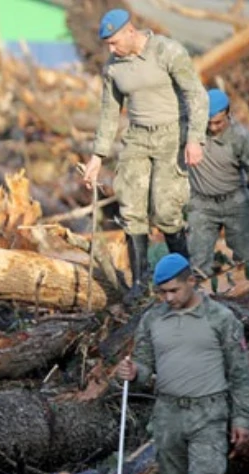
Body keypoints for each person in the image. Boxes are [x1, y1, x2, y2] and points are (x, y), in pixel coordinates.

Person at [115, 253, 249, 474]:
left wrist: (242, 419)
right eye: (162, 293)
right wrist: (133, 372)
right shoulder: (153, 320)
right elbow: (145, 365)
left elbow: (240, 373)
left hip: (209, 410)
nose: (168, 298)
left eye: (174, 291)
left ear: (192, 280)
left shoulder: (221, 318)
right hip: (168, 413)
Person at [80, 8, 209, 303]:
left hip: (171, 134)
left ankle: (185, 278)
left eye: (114, 42)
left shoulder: (167, 51)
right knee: (131, 210)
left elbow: (196, 94)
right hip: (137, 137)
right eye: (108, 45)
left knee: (166, 211)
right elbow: (109, 112)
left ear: (130, 30)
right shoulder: (114, 67)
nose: (111, 50)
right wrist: (97, 156)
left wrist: (195, 139)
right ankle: (140, 283)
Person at [185, 88, 249, 278]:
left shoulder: (241, 138)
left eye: (218, 122)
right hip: (202, 203)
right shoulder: (192, 131)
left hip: (235, 201)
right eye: (208, 122)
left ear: (228, 114)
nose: (213, 127)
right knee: (198, 264)